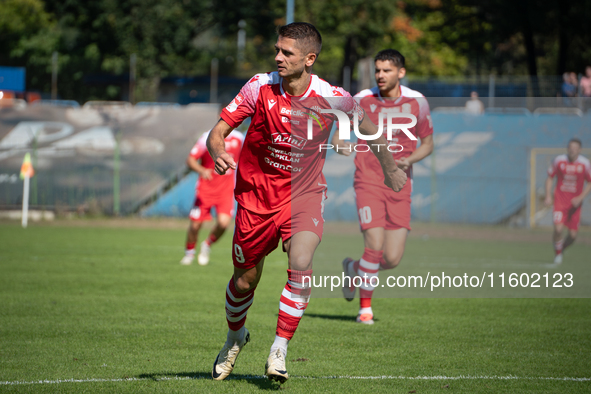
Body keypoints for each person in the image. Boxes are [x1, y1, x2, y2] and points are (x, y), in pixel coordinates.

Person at [206, 22, 407, 383]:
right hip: (255, 199)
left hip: (304, 196)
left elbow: (369, 130)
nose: (277, 57)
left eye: (287, 52)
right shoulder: (259, 86)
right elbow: (218, 132)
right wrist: (218, 150)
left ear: (309, 59)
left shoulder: (333, 97)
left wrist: (390, 169)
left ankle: (279, 348)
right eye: (277, 50)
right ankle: (236, 337)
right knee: (244, 283)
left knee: (300, 262)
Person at [332, 49, 434, 324]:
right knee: (374, 245)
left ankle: (353, 268)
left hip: (400, 184)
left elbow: (428, 144)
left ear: (401, 72)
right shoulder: (361, 100)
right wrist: (343, 145)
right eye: (378, 70)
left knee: (391, 258)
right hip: (368, 181)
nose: (380, 75)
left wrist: (408, 160)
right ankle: (365, 309)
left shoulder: (417, 102)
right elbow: (339, 137)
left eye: (387, 70)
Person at [180, 129, 244, 266]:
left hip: (226, 191)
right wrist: (201, 170)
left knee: (223, 223)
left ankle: (207, 244)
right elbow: (190, 160)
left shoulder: (239, 138)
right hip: (205, 190)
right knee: (195, 225)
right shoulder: (207, 137)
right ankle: (189, 254)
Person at [544, 138, 591, 264]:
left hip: (575, 205)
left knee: (573, 236)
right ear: (567, 148)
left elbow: (590, 182)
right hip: (560, 201)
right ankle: (558, 255)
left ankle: (561, 248)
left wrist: (581, 197)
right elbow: (550, 178)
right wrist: (548, 195)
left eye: (575, 148)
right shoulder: (559, 160)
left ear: (580, 150)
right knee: (558, 229)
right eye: (570, 147)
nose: (572, 150)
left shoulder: (585, 163)